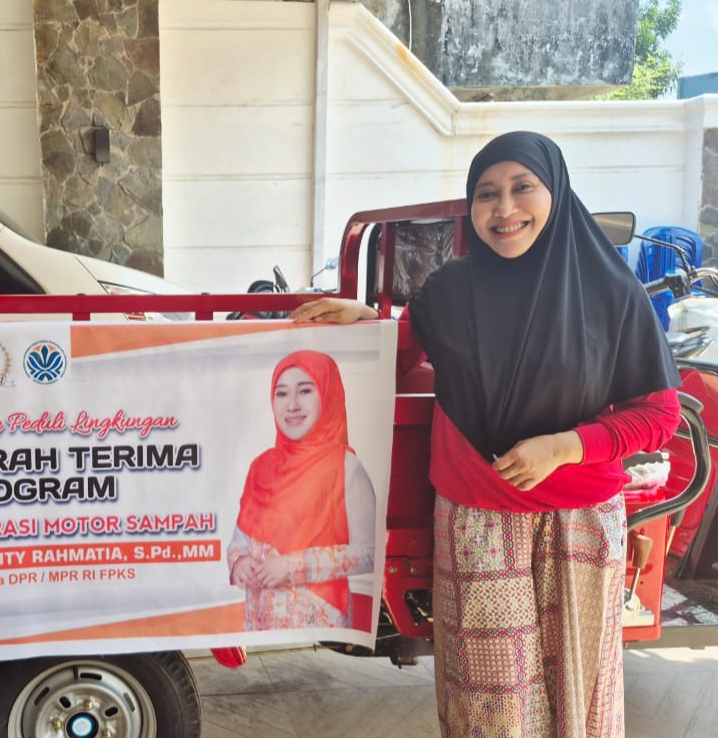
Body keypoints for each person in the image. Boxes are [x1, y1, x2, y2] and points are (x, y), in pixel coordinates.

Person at [291, 131, 681, 738]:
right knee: (489, 704)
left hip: (579, 522)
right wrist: (367, 320)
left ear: (557, 192)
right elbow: (403, 351)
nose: (504, 209)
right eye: (486, 194)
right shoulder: (449, 290)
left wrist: (566, 446)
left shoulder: (611, 293)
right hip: (479, 519)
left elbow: (657, 415)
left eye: (523, 188)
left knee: (579, 697)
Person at [227, 349, 377, 631]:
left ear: (328, 395)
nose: (292, 405)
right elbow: (240, 540)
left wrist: (293, 566)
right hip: (260, 622)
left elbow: (369, 552)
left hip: (319, 619)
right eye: (282, 393)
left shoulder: (346, 467)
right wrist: (240, 562)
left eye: (305, 391)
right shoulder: (260, 467)